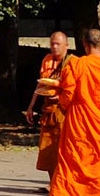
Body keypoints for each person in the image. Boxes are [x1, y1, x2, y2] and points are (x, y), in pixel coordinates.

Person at [52, 27, 100, 196]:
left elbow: (67, 97)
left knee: (73, 161)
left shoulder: (76, 64)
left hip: (78, 124)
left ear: (85, 45)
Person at [25, 30, 72, 190]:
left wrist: (60, 98)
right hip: (48, 110)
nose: (54, 47)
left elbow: (76, 89)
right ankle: (53, 183)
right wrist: (31, 106)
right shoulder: (47, 60)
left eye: (58, 44)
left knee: (63, 150)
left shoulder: (73, 63)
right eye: (52, 43)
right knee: (48, 150)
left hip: (65, 111)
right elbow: (40, 84)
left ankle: (63, 184)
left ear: (67, 45)